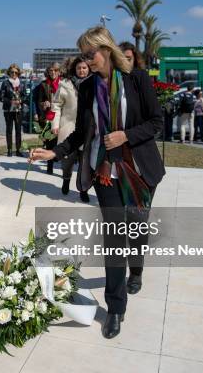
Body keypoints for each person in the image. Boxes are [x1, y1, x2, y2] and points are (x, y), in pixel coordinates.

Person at [30, 26, 165, 340]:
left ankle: (138, 268)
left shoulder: (137, 80)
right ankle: (116, 308)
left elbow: (156, 123)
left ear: (106, 50)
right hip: (104, 172)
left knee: (136, 227)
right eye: (84, 55)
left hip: (138, 170)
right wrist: (55, 150)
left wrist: (126, 135)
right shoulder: (87, 86)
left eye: (91, 54)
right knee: (115, 238)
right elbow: (80, 133)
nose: (87, 60)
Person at [50, 56, 91, 202]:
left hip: (88, 129)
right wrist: (55, 124)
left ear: (89, 68)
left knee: (85, 162)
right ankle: (66, 179)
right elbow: (56, 105)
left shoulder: (94, 83)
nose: (81, 70)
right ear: (74, 69)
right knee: (67, 160)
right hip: (69, 127)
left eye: (84, 68)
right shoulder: (65, 84)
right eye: (79, 68)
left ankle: (83, 189)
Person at [34, 63, 61, 173]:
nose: (53, 72)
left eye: (55, 70)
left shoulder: (63, 84)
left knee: (62, 140)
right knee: (50, 142)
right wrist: (43, 104)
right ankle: (50, 167)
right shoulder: (43, 85)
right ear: (48, 72)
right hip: (49, 117)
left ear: (59, 71)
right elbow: (38, 102)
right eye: (51, 70)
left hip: (62, 117)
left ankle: (65, 168)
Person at [0, 64, 25, 157]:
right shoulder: (5, 83)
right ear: (9, 72)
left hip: (19, 110)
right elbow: (1, 98)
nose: (14, 74)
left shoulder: (22, 83)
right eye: (12, 72)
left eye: (16, 72)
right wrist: (11, 101)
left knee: (18, 130)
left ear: (18, 73)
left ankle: (18, 150)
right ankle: (9, 149)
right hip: (8, 110)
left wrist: (20, 100)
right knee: (9, 130)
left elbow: (25, 96)